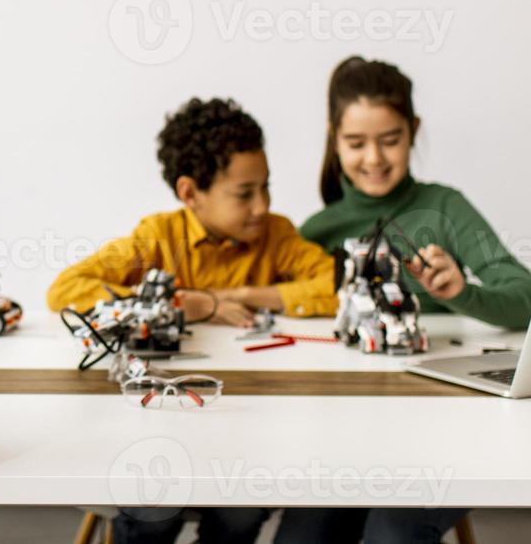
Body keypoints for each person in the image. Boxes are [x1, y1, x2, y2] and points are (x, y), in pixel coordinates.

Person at [47, 97, 338, 544]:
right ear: (189, 193)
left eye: (266, 187)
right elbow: (67, 290)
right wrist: (187, 304)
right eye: (244, 193)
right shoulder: (159, 236)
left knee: (240, 515)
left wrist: (235, 297)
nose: (262, 205)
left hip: (246, 426)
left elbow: (333, 286)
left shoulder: (275, 235)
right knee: (153, 508)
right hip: (159, 423)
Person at [275, 56, 531, 544]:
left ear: (413, 131)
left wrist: (463, 293)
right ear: (334, 138)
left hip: (445, 430)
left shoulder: (446, 209)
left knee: (391, 536)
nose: (373, 158)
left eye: (390, 140)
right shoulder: (315, 233)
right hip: (348, 434)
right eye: (356, 143)